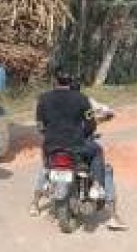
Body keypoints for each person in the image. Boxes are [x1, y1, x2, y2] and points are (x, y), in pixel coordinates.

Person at [28, 71, 127, 230]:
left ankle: (37, 199)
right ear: (71, 82)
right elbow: (90, 125)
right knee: (97, 152)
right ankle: (97, 185)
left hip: (51, 146)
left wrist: (50, 135)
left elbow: (40, 125)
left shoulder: (43, 99)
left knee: (47, 167)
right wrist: (84, 134)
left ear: (55, 81)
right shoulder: (81, 98)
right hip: (76, 145)